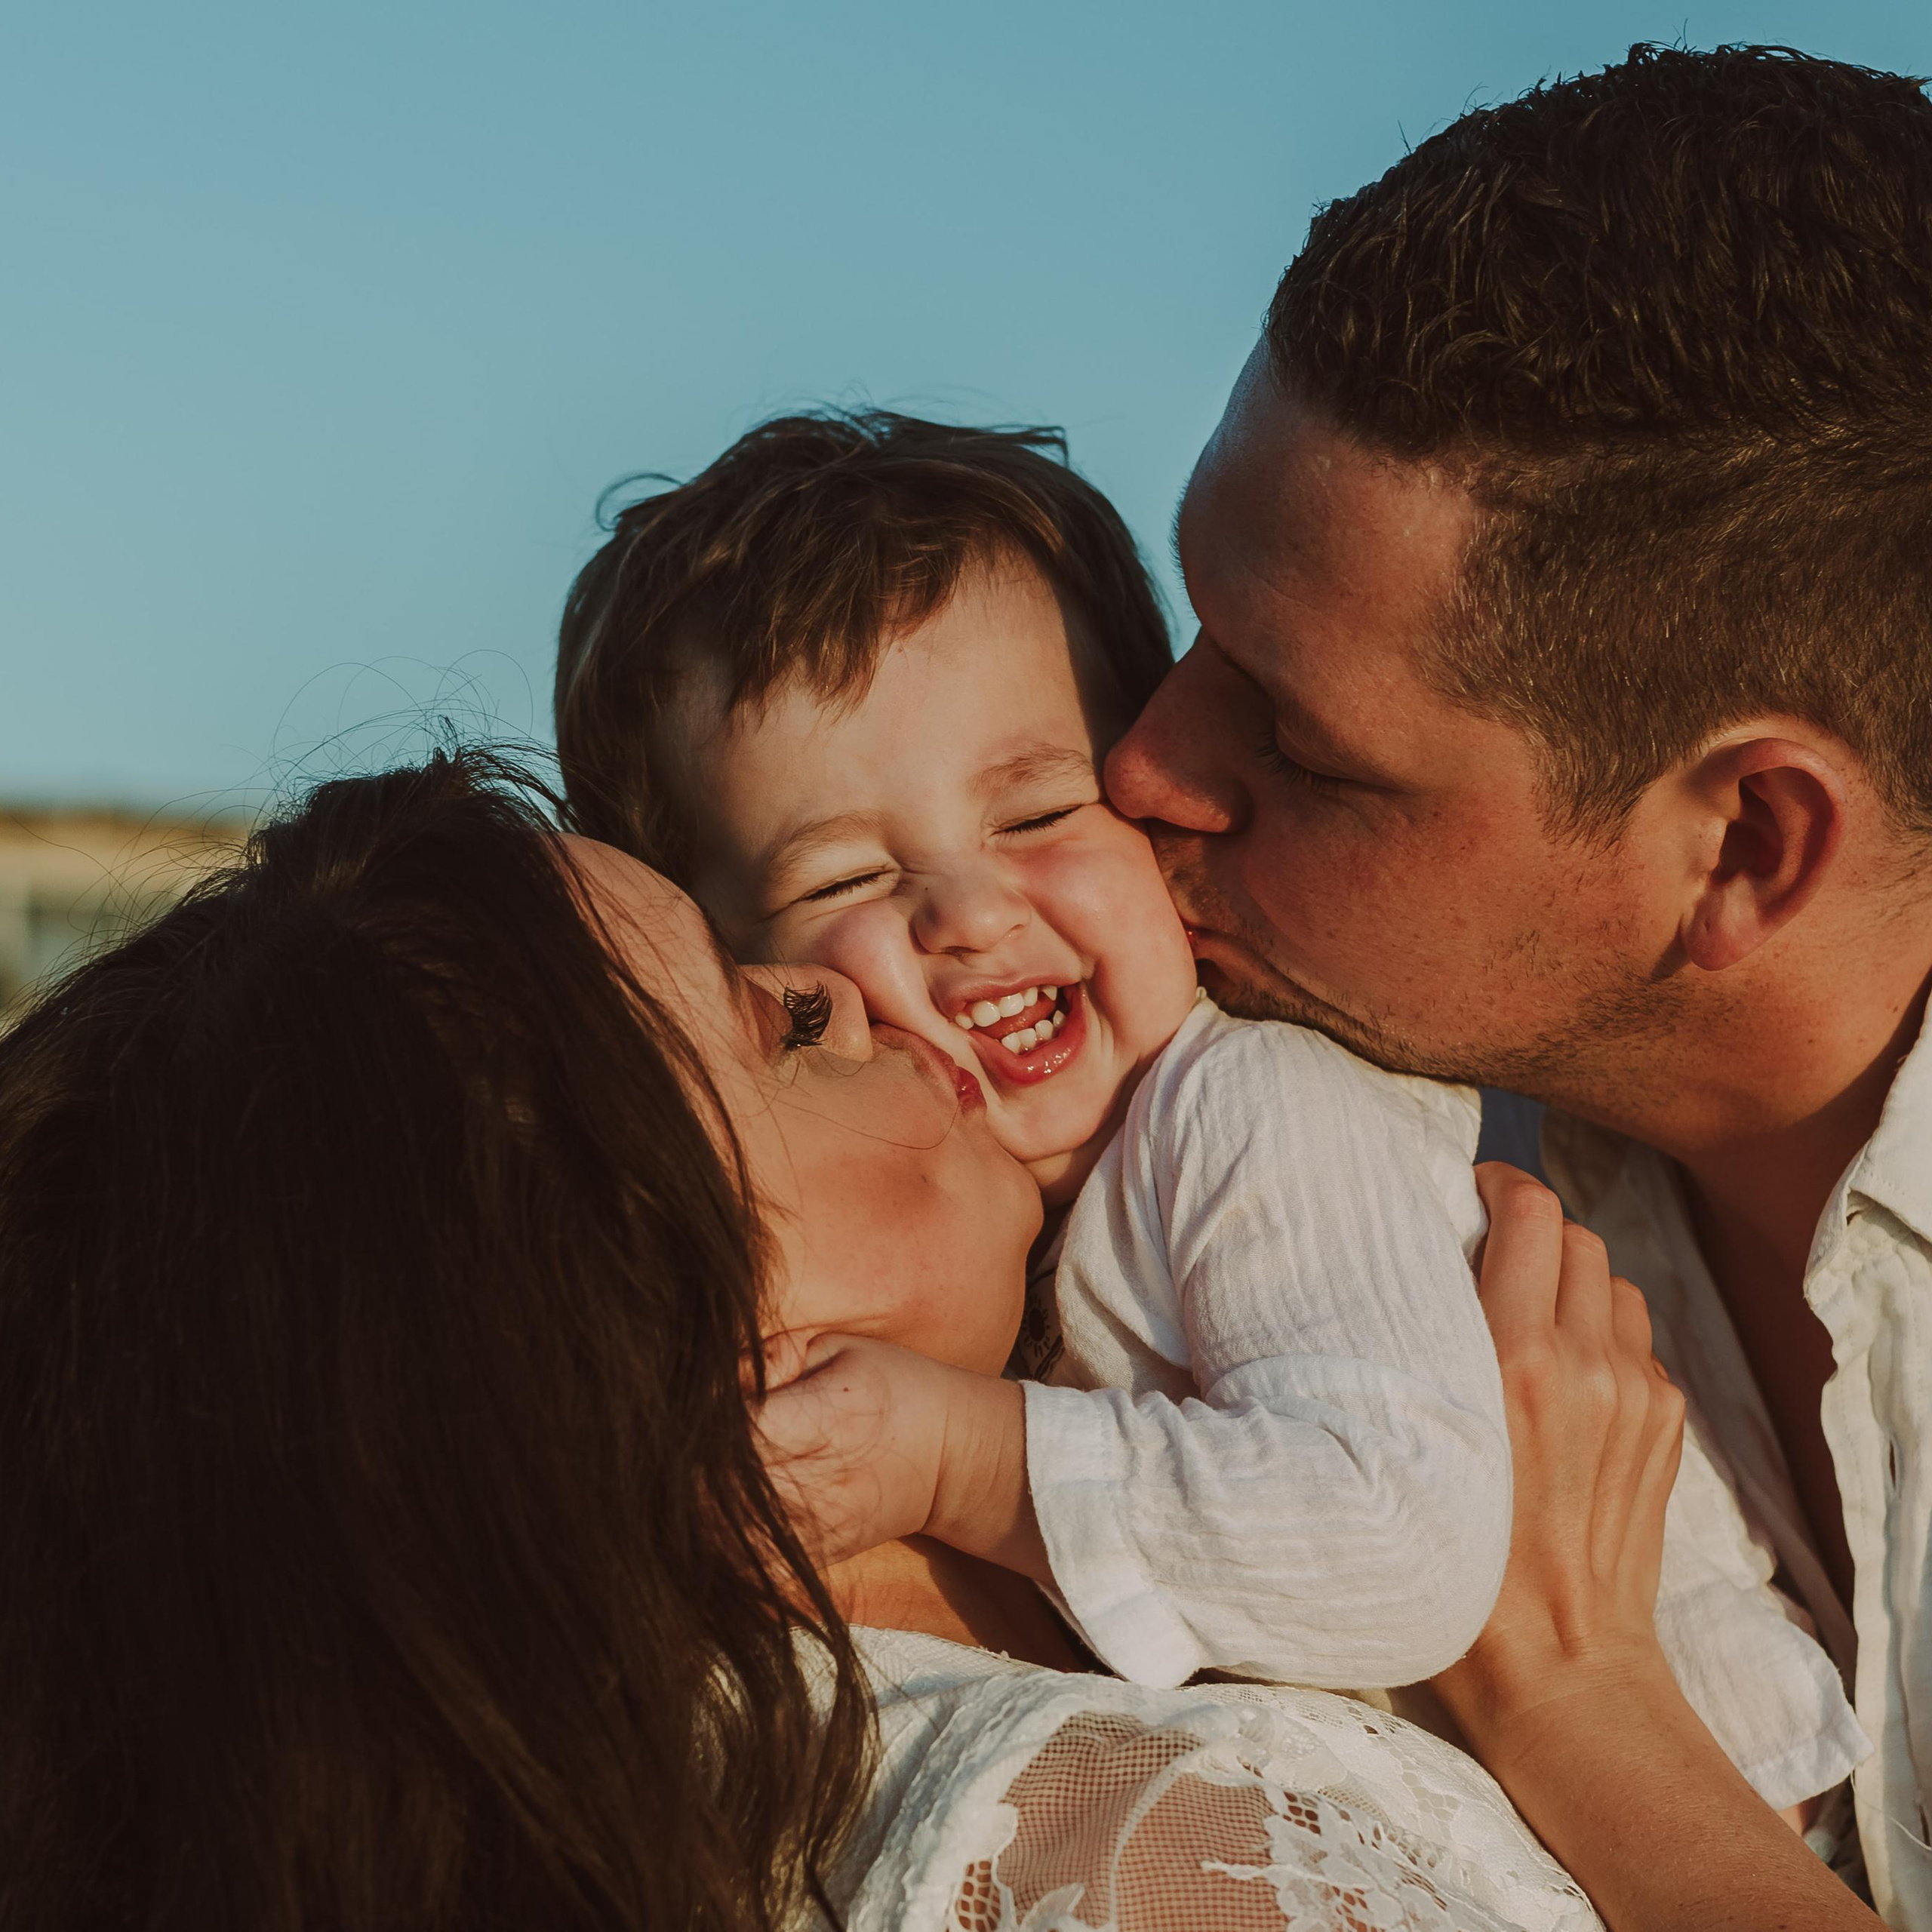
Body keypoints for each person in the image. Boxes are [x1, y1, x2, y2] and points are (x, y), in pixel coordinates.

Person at [0, 750, 1878, 1930]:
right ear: (674, 1330)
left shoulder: (708, 1767)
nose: (851, 982)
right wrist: (1577, 1691)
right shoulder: (1107, 1849)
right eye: (773, 1027)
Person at [552, 406, 1860, 1818]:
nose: (970, 912)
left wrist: (954, 1456)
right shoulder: (1013, 1233)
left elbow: (1394, 1546)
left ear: (1152, 810)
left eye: (1036, 813)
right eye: (841, 882)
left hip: (1721, 1808)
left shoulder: (1253, 1108)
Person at [1102, 41, 1932, 1923]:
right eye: (1195, 628)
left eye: (1298, 744)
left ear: (1742, 845)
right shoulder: (1311, 1128)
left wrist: (1574, 1699)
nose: (1140, 761)